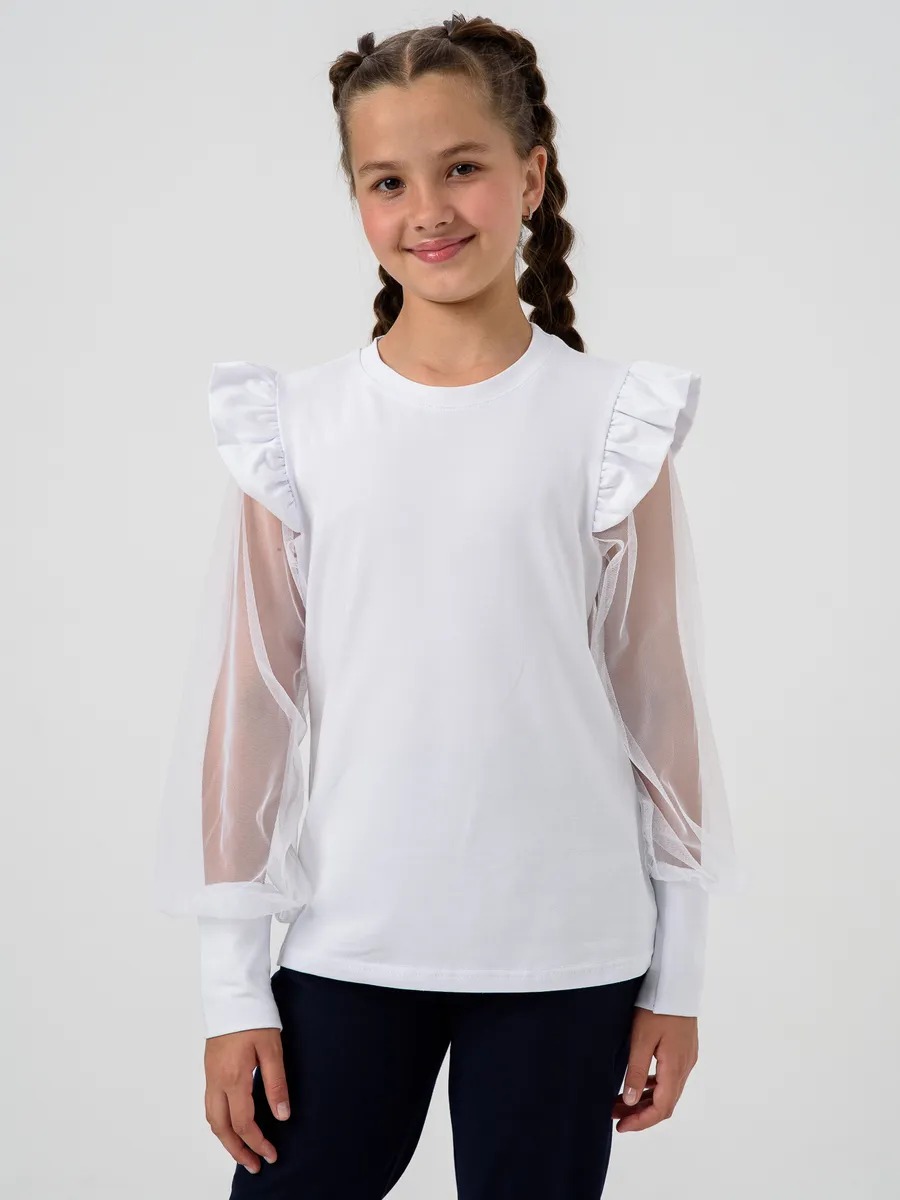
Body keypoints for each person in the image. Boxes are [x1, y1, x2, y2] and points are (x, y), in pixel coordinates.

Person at [153, 12, 739, 1199]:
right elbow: (252, 710)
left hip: (568, 952)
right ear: (358, 201)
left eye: (462, 166)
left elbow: (657, 704)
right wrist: (231, 987)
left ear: (531, 174)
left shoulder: (611, 425)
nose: (429, 209)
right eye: (388, 181)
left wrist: (675, 977)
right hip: (351, 938)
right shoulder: (296, 428)